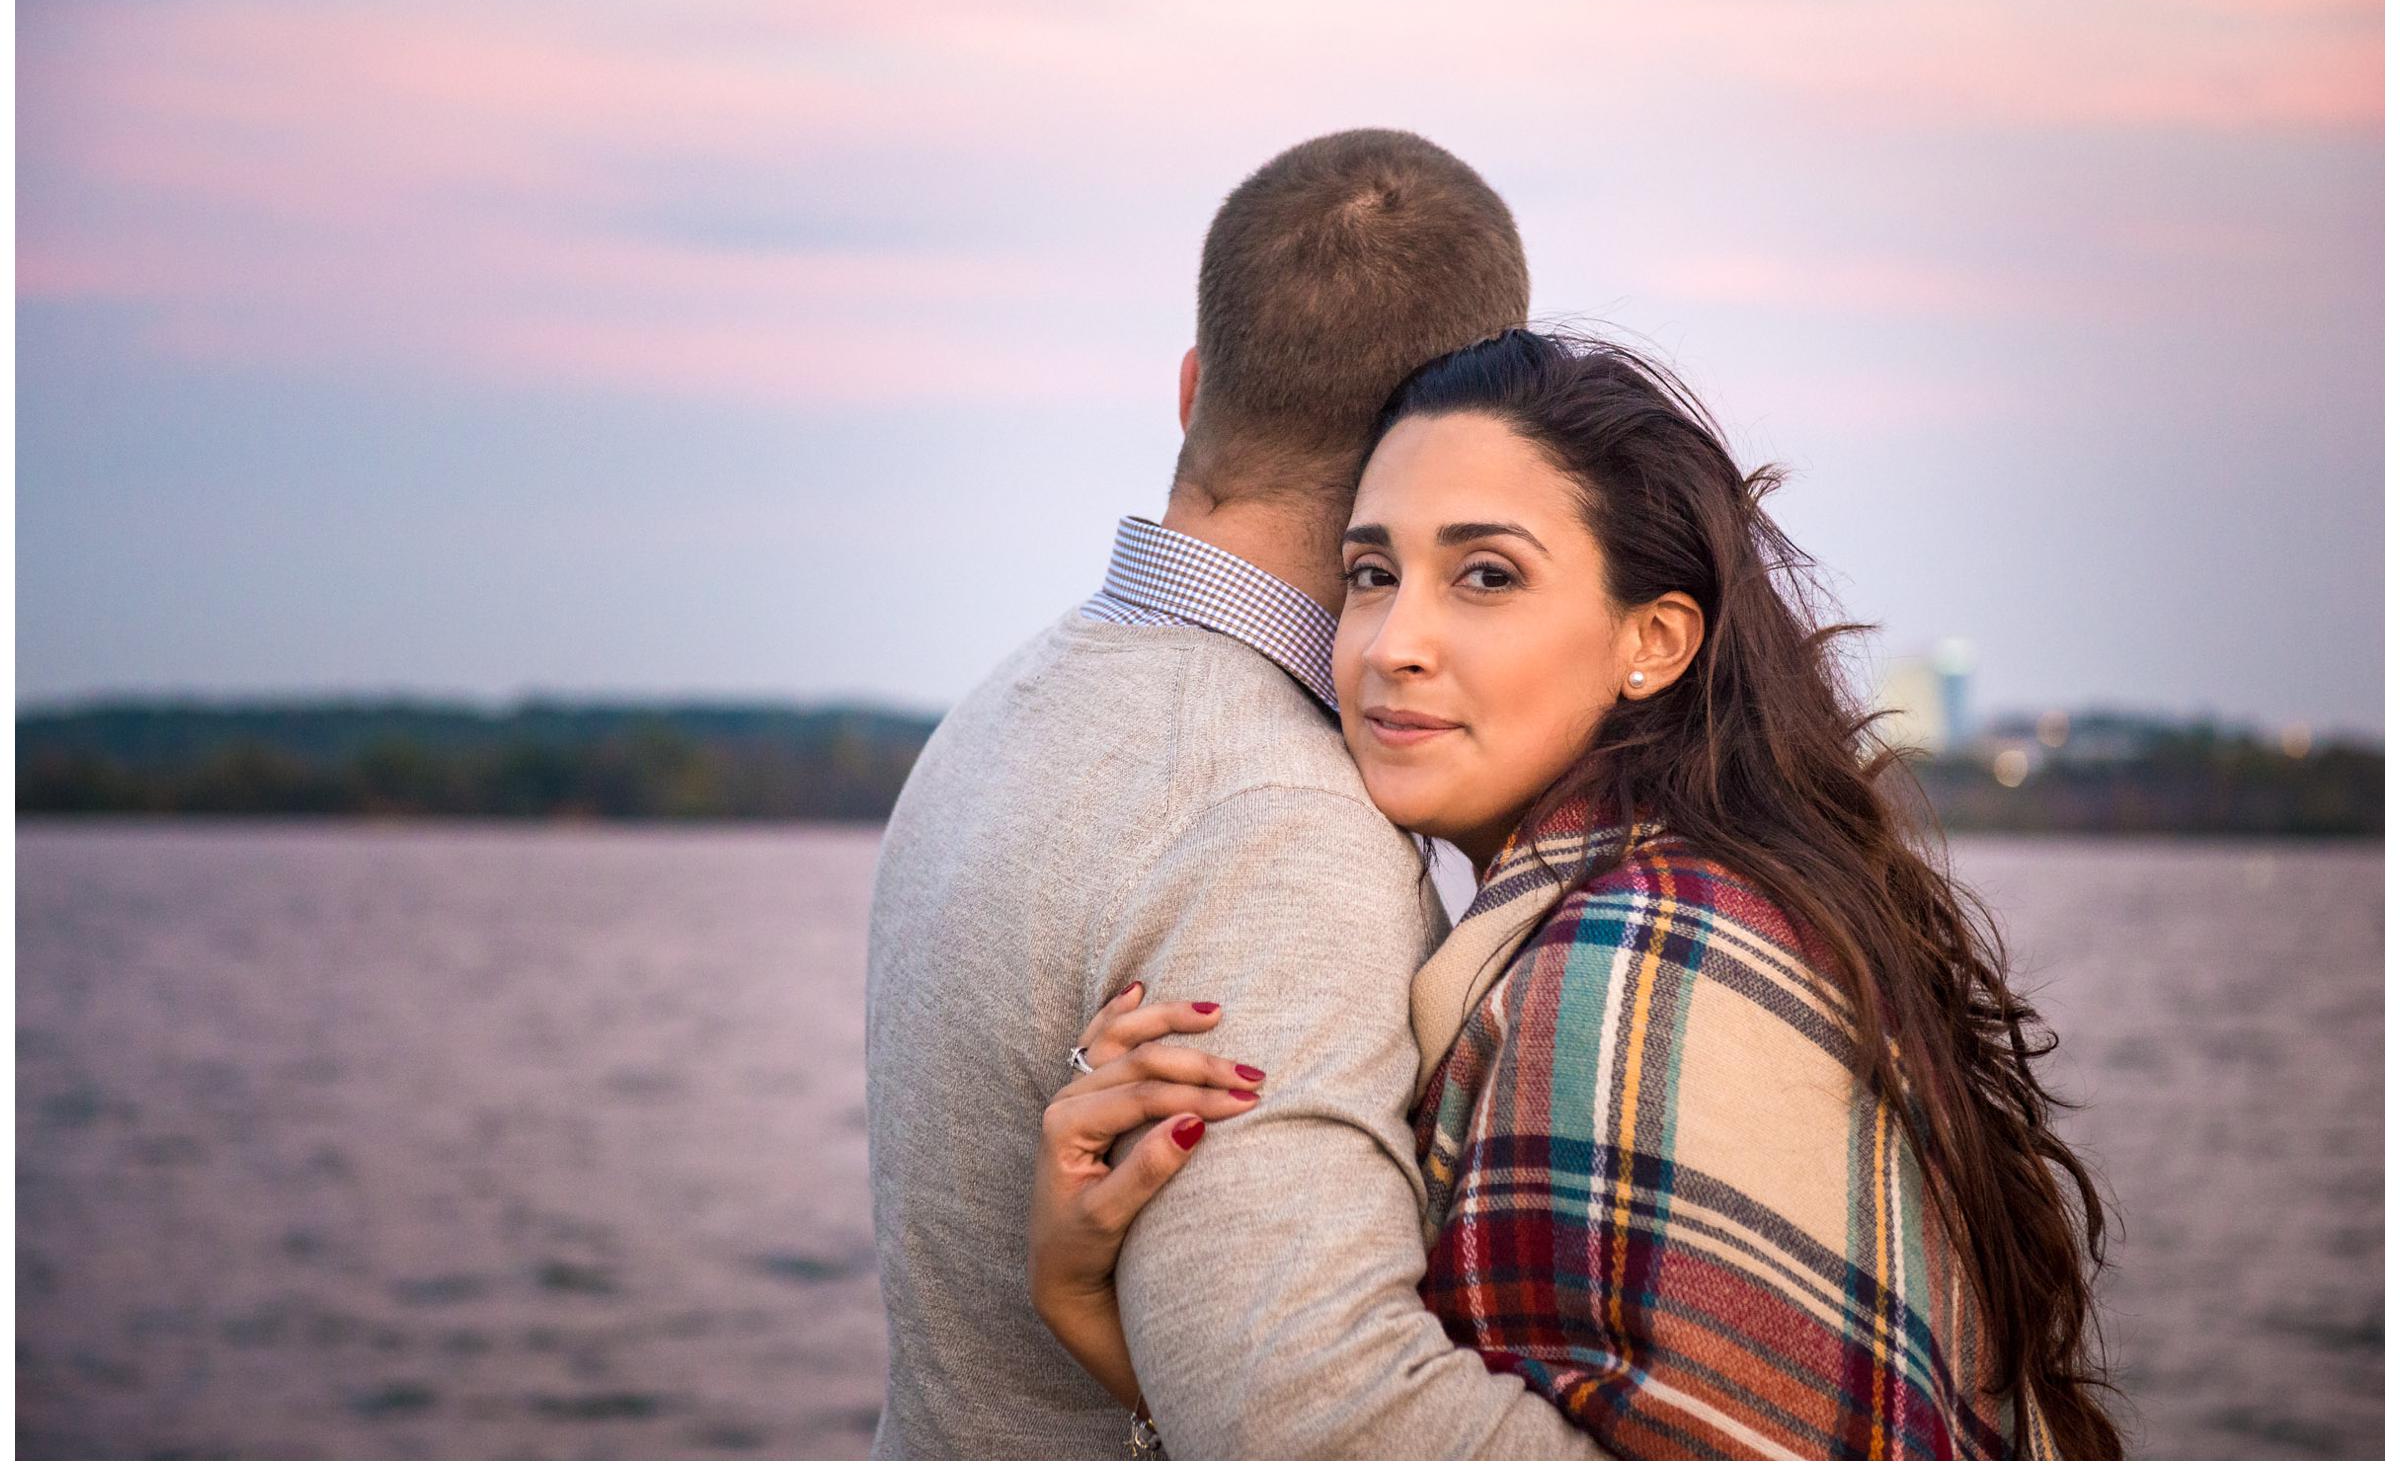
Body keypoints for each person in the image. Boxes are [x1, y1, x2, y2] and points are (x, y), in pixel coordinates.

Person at [1030, 329, 2125, 1459]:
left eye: (1486, 576)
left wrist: (1092, 1311)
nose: (1393, 643)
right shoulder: (1677, 895)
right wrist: (1123, 1330)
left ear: (1651, 641)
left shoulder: (1645, 950)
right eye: (1370, 574)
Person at [863, 130, 1607, 1457]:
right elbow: (1311, 1422)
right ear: (1445, 437)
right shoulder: (1279, 823)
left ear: (1195, 384)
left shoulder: (1003, 707)